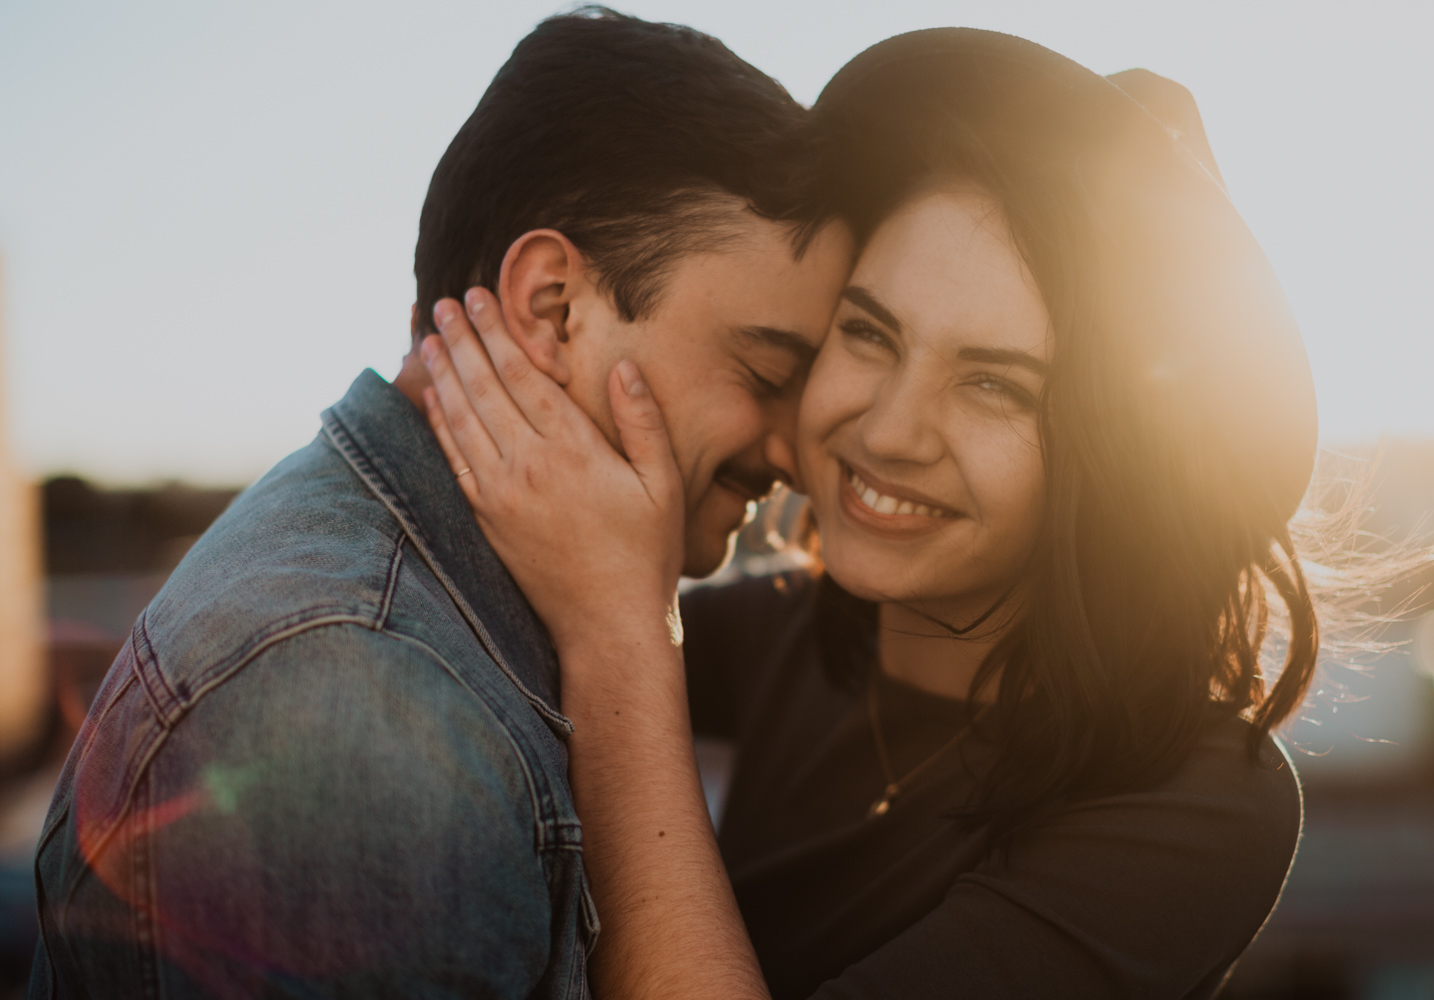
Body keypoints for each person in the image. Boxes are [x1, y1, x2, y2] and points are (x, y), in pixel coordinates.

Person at [420, 28, 1324, 999]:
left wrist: (618, 632)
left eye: (995, 386)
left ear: (1121, 463)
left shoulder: (1199, 802)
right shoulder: (786, 637)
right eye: (866, 332)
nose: (889, 432)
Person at [28, 10, 850, 997]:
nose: (796, 450)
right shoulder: (360, 702)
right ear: (554, 308)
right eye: (766, 371)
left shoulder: (428, 612)